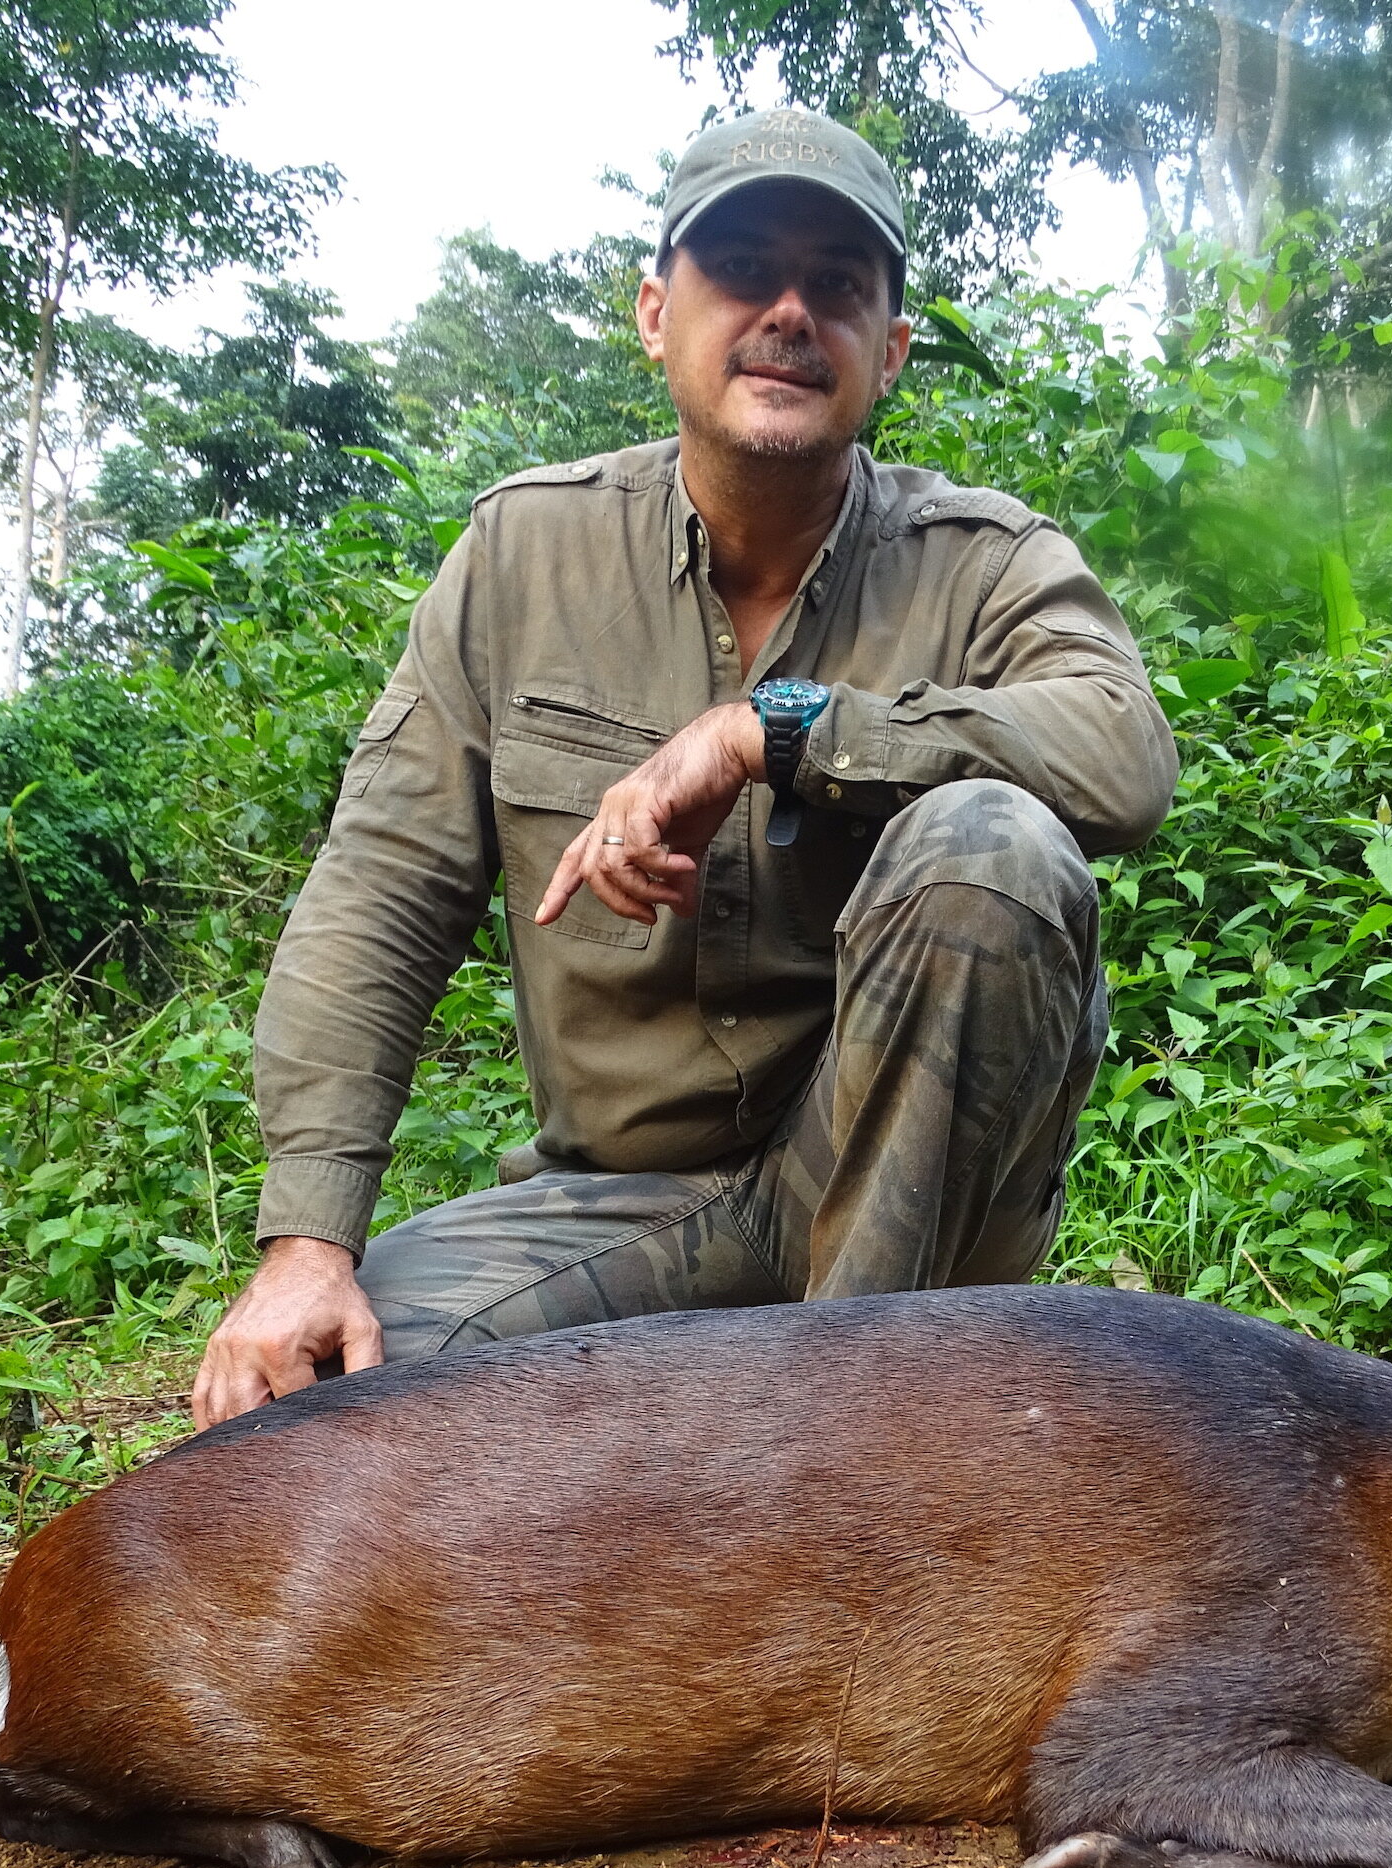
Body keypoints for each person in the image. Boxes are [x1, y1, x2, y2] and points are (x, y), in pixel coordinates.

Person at [189, 108, 1179, 1428]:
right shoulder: (521, 557)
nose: (787, 311)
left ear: (886, 351)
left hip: (907, 1222)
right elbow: (377, 897)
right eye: (744, 271)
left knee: (993, 842)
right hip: (626, 1206)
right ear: (657, 313)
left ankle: (846, 1446)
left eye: (835, 286)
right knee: (303, 1414)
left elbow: (1121, 758)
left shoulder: (986, 562)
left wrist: (775, 731)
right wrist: (305, 1245)